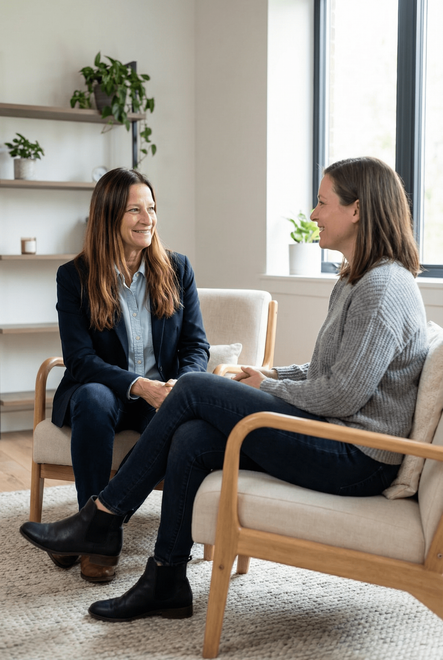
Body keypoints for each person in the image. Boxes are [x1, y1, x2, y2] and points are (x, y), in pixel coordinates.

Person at [21, 157, 428, 623]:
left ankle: (103, 517)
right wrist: (269, 374)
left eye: (321, 202)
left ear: (356, 211)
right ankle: (167, 580)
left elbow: (340, 396)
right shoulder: (354, 280)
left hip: (357, 457)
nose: (313, 213)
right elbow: (326, 370)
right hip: (333, 436)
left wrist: (272, 386)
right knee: (194, 438)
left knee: (193, 387)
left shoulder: (382, 288)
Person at [47, 167, 209, 582]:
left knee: (179, 424)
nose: (147, 218)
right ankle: (96, 528)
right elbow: (79, 359)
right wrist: (139, 385)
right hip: (109, 391)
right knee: (93, 397)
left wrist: (181, 383)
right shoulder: (75, 277)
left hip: (162, 395)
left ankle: (94, 530)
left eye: (151, 208)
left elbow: (196, 346)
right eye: (134, 210)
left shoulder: (177, 269)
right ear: (108, 217)